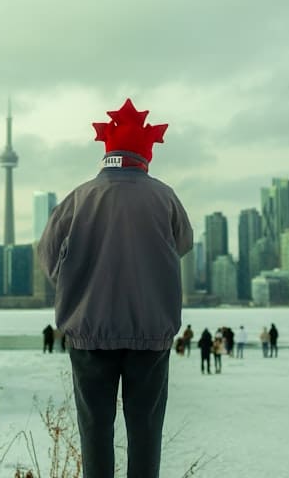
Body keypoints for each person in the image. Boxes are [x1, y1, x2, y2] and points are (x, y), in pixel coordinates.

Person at [37, 98, 193, 478]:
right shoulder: (164, 197)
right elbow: (184, 243)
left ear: (108, 153)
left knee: (94, 429)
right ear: (144, 154)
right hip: (150, 333)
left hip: (90, 332)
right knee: (145, 431)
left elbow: (47, 255)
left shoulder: (78, 198)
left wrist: (79, 285)